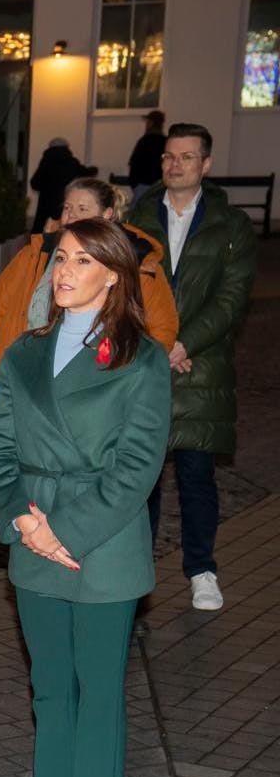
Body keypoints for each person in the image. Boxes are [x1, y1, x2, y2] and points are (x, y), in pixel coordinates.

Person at [0, 218, 169, 777]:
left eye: (83, 261)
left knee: (98, 701)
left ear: (113, 276)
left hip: (103, 548)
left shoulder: (143, 360)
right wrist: (22, 522)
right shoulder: (24, 351)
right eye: (60, 258)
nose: (64, 271)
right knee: (51, 695)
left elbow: (137, 467)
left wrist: (66, 530)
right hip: (34, 539)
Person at [128, 123, 256, 612]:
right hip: (147, 364)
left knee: (198, 476)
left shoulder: (231, 224)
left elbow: (232, 298)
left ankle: (202, 570)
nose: (174, 165)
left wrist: (183, 344)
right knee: (144, 479)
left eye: (185, 157)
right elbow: (121, 287)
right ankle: (138, 579)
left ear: (206, 164)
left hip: (201, 368)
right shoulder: (138, 216)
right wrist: (157, 344)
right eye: (168, 156)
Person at [0, 177, 178, 416]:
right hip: (24, 387)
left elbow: (162, 329)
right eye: (67, 208)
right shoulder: (36, 253)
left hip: (92, 397)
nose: (71, 216)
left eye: (82, 209)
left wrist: (120, 380)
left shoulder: (137, 264)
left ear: (107, 214)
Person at [28, 138, 97, 233]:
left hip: (46, 205)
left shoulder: (46, 162)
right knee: (64, 232)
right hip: (65, 203)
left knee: (42, 235)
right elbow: (84, 174)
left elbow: (34, 184)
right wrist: (93, 170)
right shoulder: (72, 162)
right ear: (66, 148)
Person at [126, 110, 167, 203]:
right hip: (162, 187)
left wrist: (134, 184)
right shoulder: (166, 142)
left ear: (151, 123)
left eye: (147, 122)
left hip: (143, 187)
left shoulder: (144, 141)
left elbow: (133, 163)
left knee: (136, 215)